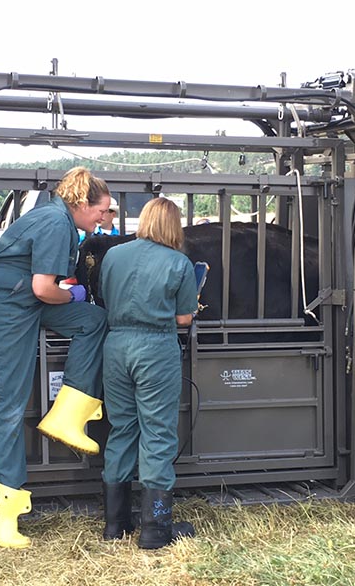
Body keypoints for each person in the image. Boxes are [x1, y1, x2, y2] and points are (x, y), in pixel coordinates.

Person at [0, 167, 111, 549]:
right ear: (82, 204)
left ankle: (67, 416)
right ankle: (0, 512)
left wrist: (76, 299)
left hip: (23, 298)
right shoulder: (55, 222)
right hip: (7, 303)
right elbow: (44, 288)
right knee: (9, 403)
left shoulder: (60, 219)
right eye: (102, 212)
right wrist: (73, 295)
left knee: (93, 320)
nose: (104, 220)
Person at [98, 197, 198, 549]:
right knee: (156, 432)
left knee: (122, 428)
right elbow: (184, 318)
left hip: (115, 346)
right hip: (155, 347)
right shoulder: (179, 263)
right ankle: (155, 530)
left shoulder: (114, 255)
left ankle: (115, 525)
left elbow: (104, 298)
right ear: (173, 225)